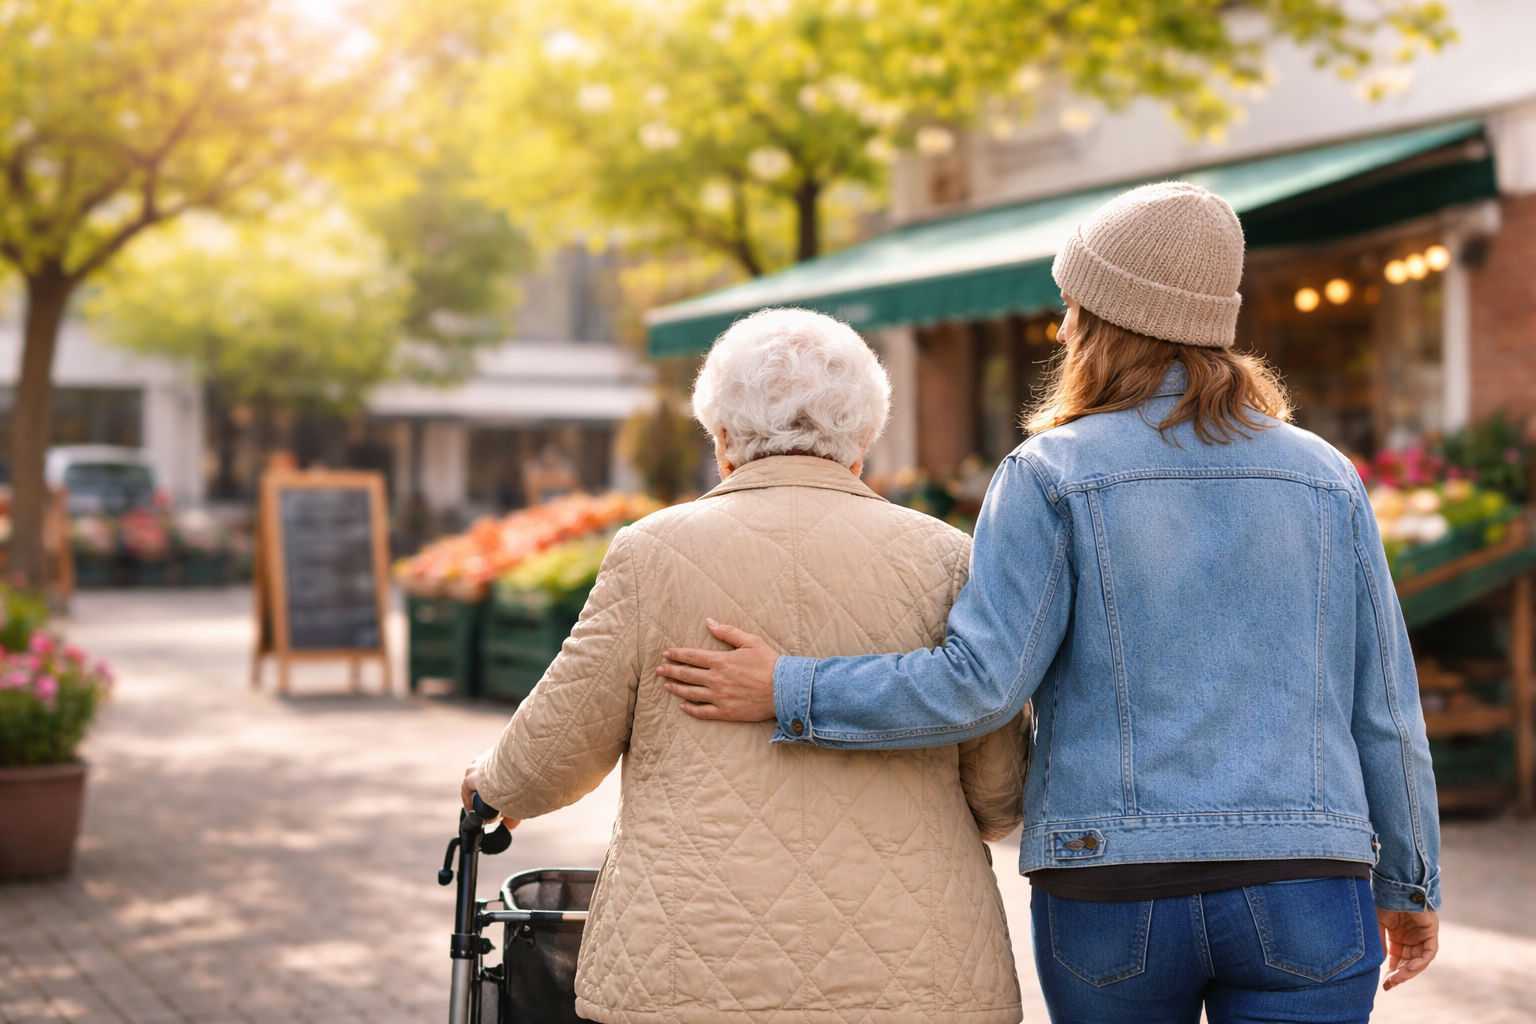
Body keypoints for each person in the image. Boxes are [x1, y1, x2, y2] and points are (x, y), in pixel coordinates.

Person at [657, 183, 1441, 1024]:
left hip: (1111, 888)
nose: (1061, 329)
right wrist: (1410, 880)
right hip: (1309, 884)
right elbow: (1387, 709)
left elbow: (982, 686)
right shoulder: (1324, 476)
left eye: (1073, 308)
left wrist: (791, 689)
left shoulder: (1050, 474)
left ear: (1110, 323)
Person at [462, 307, 1031, 1024]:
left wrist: (490, 783)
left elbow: (551, 755)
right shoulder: (946, 556)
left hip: (689, 964)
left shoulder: (653, 553)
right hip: (916, 969)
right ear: (862, 438)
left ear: (722, 437)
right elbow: (1000, 788)